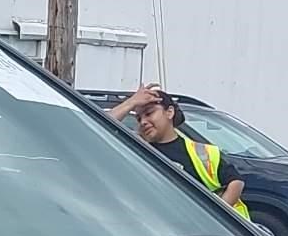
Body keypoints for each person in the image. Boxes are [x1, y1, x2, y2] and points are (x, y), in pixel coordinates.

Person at [107, 85, 249, 219]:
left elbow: (236, 182)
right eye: (138, 118)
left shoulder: (203, 152)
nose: (143, 121)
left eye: (149, 113)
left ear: (169, 112)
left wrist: (216, 217)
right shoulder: (135, 149)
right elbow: (98, 125)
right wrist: (131, 102)